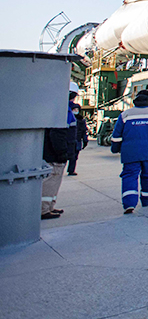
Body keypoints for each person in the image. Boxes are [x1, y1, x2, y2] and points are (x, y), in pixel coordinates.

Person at [111, 89, 148, 214]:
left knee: (129, 175)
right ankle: (147, 201)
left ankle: (129, 203)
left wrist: (115, 149)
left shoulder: (125, 114)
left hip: (130, 152)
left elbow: (116, 136)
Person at [41, 89, 76, 219]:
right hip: (55, 155)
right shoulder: (63, 112)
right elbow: (58, 134)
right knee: (51, 181)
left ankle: (50, 206)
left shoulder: (57, 109)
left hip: (55, 153)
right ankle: (43, 209)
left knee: (55, 182)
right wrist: (61, 152)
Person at [66, 83, 88, 176]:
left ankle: (71, 170)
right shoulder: (67, 113)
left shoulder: (80, 119)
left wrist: (85, 139)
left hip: (75, 140)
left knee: (74, 157)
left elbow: (83, 130)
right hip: (69, 139)